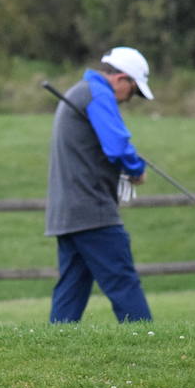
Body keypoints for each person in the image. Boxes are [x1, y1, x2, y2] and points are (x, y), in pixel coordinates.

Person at [45, 46, 155, 324]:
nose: (130, 99)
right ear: (121, 79)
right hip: (92, 211)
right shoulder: (98, 93)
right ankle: (148, 343)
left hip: (68, 212)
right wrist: (137, 170)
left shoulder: (80, 92)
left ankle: (55, 347)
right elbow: (118, 146)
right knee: (123, 281)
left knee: (72, 287)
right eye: (134, 91)